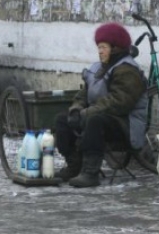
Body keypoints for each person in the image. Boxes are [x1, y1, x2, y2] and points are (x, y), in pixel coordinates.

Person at [53, 22, 147, 188]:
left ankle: (90, 172)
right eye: (98, 47)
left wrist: (87, 113)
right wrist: (76, 110)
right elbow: (84, 93)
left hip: (125, 125)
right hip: (100, 116)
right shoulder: (98, 68)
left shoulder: (127, 70)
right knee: (62, 119)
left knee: (95, 121)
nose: (100, 51)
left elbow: (118, 102)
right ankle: (75, 166)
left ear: (115, 48)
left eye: (103, 47)